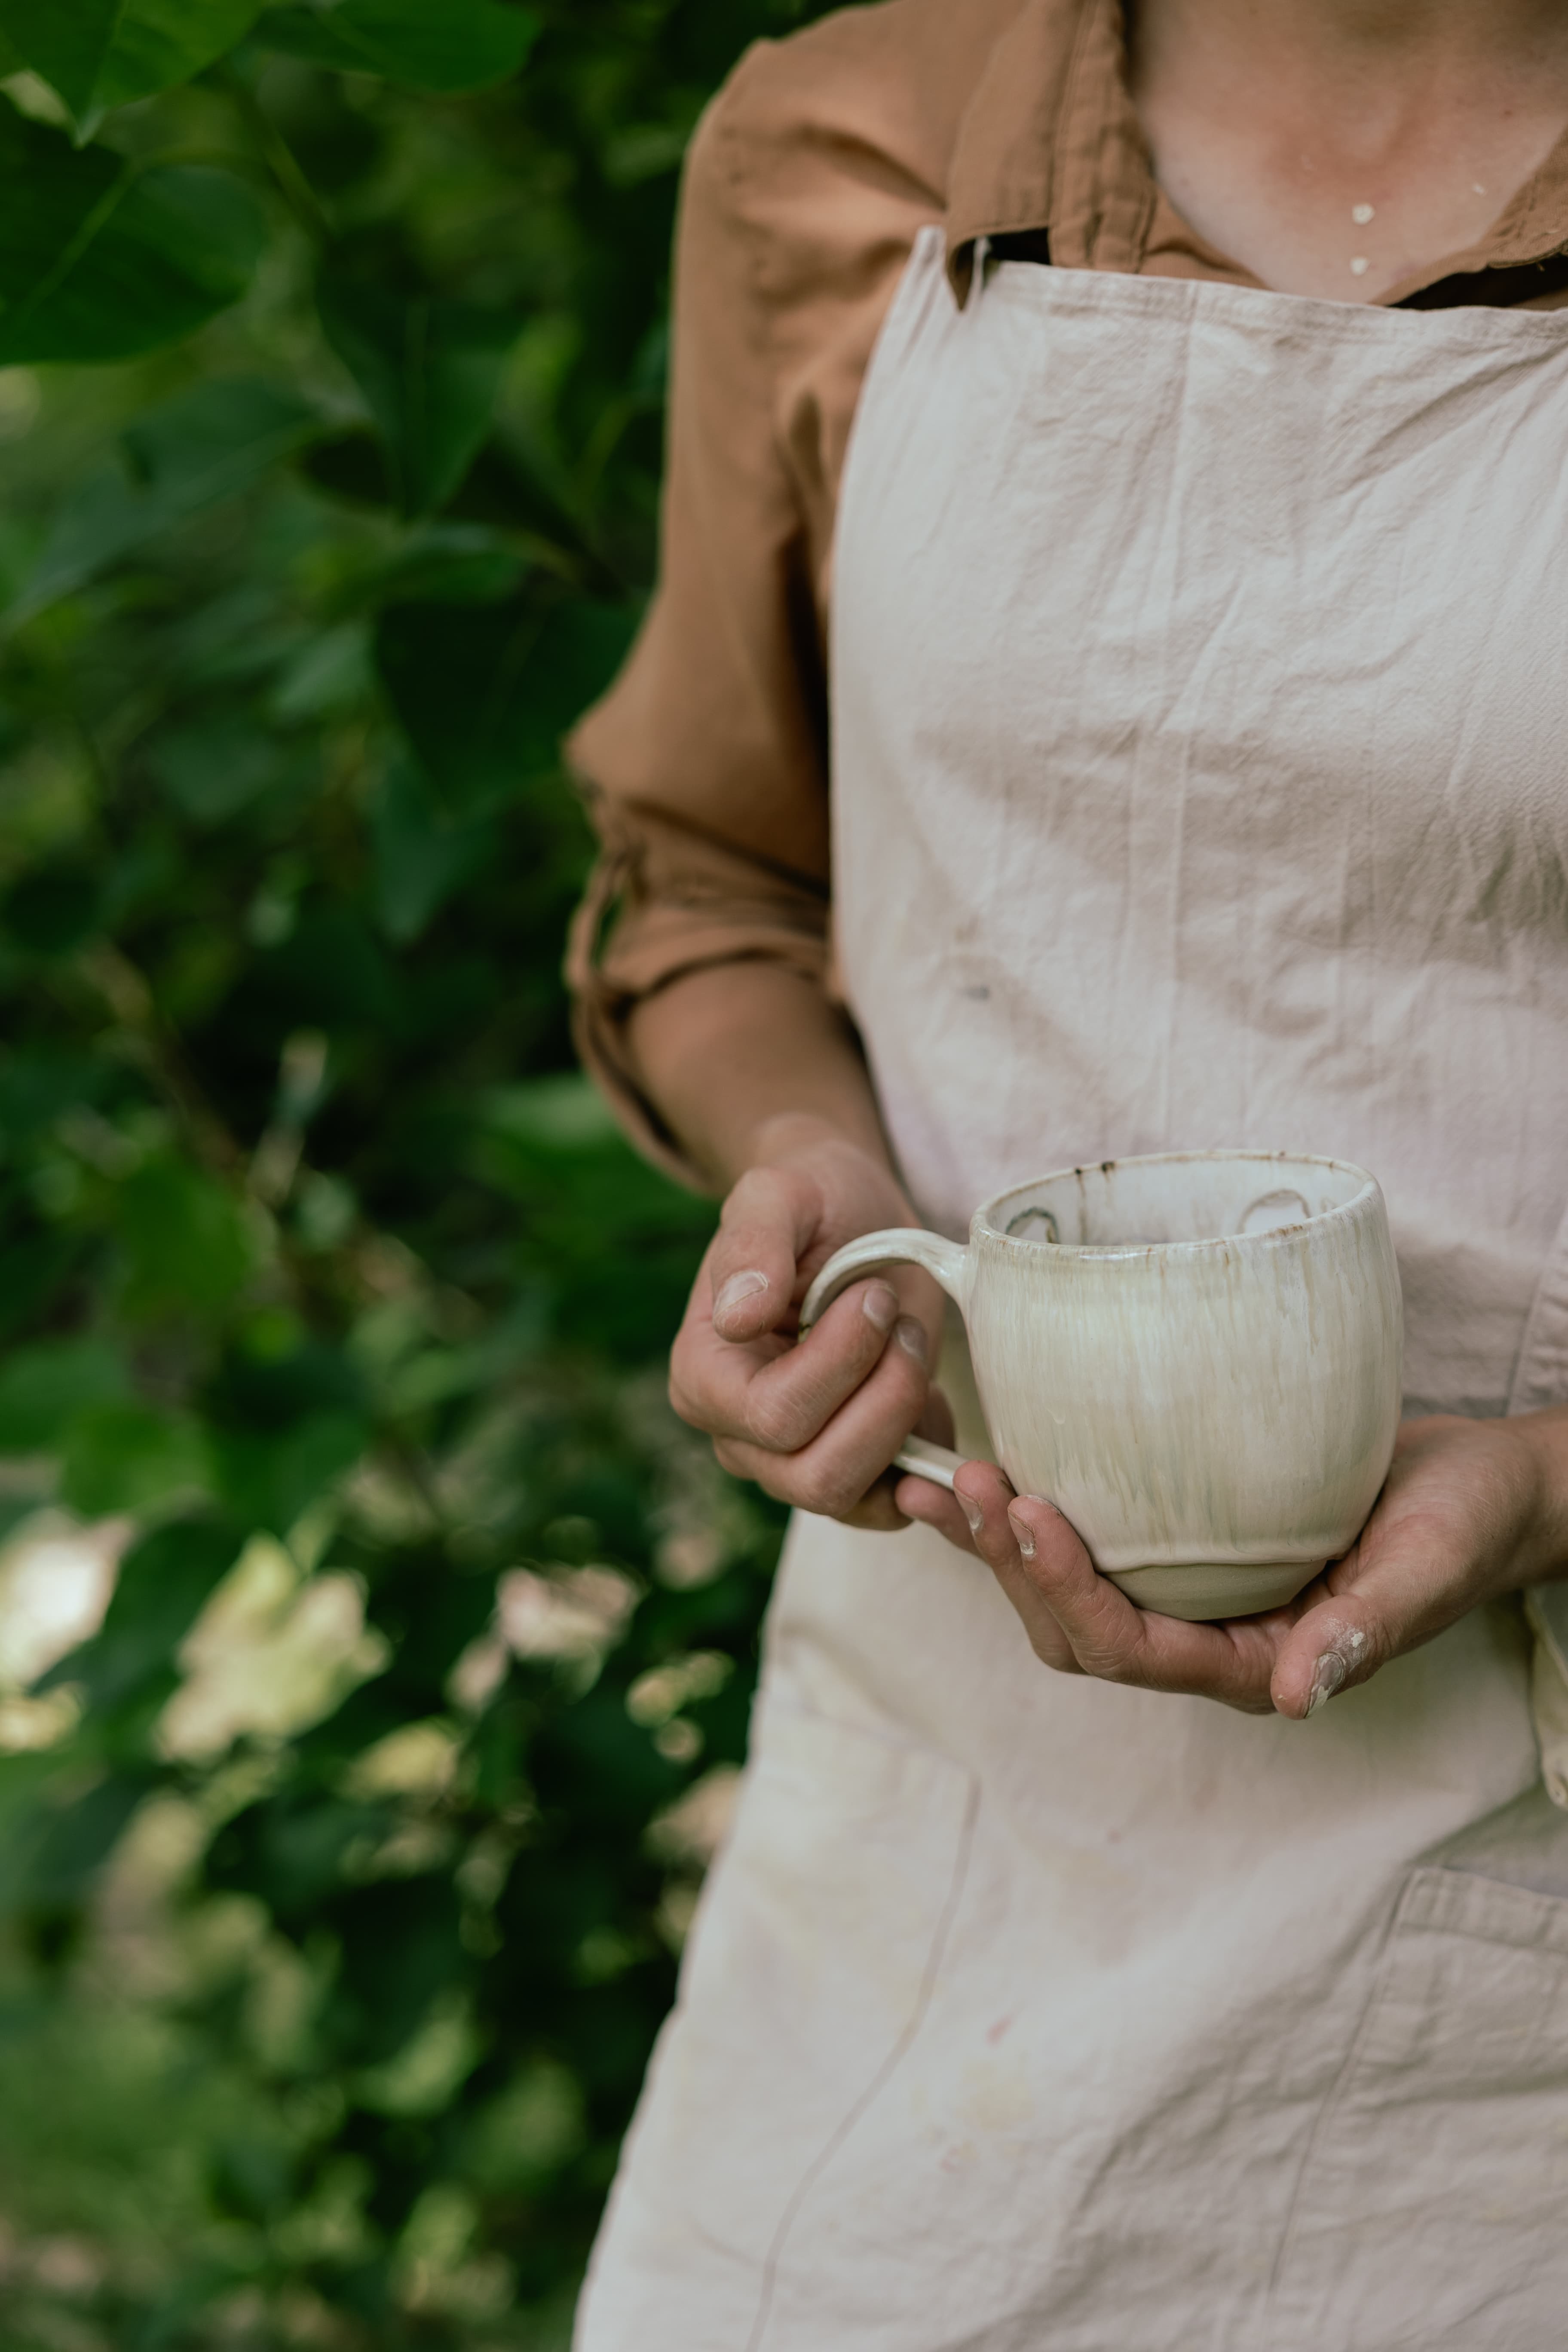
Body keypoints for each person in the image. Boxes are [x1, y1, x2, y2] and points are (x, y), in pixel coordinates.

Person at [565, 2, 1568, 2343]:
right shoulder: (855, 134)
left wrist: (1540, 1478)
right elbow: (706, 875)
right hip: (936, 1877)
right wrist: (810, 1166)